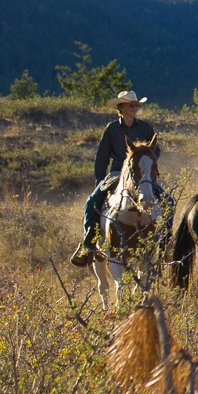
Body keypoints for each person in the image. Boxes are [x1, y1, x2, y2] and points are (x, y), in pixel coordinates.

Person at [72, 89, 158, 266]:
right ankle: (89, 245)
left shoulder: (146, 128)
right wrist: (99, 181)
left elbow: (155, 151)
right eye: (131, 105)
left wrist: (146, 164)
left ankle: (165, 243)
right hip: (117, 173)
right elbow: (102, 156)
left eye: (136, 105)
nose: (135, 108)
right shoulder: (111, 129)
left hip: (142, 174)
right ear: (121, 108)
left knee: (169, 202)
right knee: (92, 202)